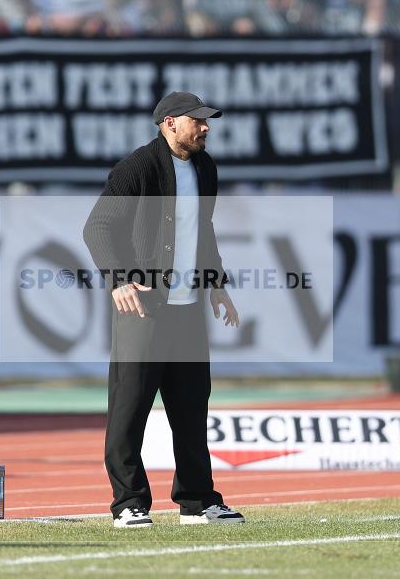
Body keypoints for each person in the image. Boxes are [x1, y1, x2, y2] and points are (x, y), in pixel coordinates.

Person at [83, 91, 245, 528]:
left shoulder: (206, 167)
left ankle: (197, 502)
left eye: (208, 121)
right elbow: (97, 226)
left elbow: (204, 230)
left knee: (192, 409)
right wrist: (118, 278)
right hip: (145, 311)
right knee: (130, 407)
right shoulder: (136, 168)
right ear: (170, 123)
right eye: (199, 121)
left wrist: (217, 285)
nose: (206, 128)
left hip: (189, 311)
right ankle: (129, 503)